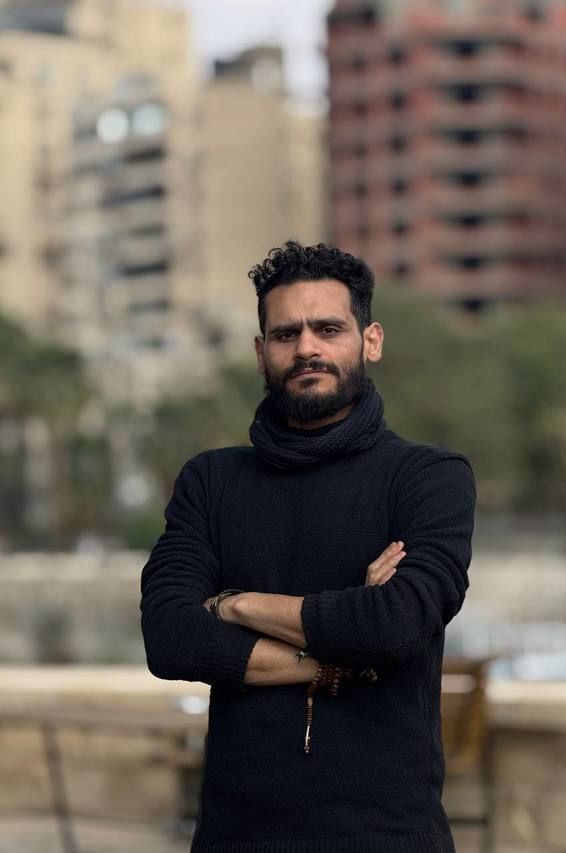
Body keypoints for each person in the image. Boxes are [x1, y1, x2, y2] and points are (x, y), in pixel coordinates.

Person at [140, 240, 476, 853]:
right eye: (285, 333)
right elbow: (169, 637)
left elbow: (395, 624)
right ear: (260, 352)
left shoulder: (428, 477)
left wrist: (235, 605)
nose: (306, 349)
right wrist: (344, 654)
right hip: (236, 837)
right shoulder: (210, 482)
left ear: (370, 340)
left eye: (328, 328)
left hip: (387, 836)